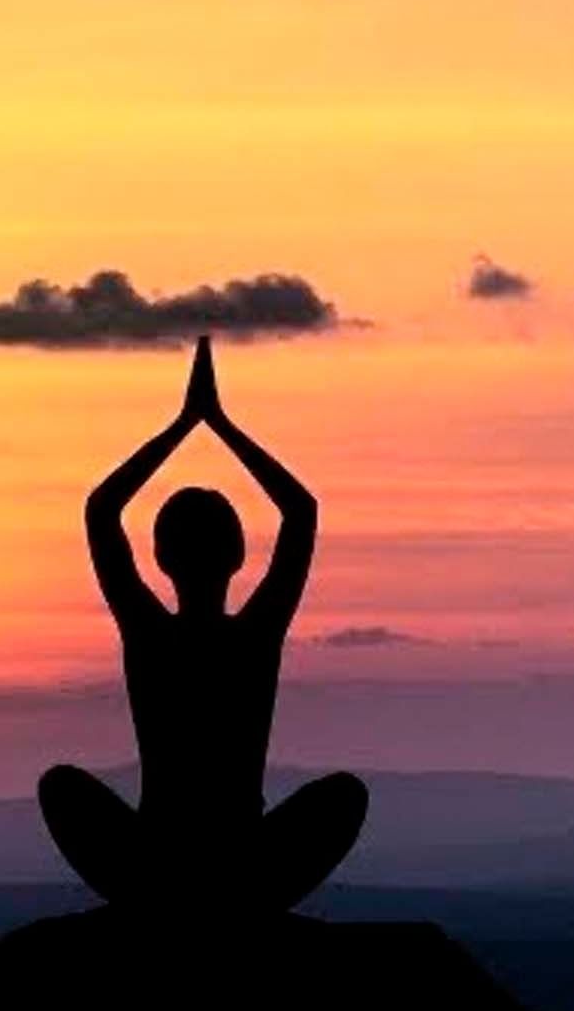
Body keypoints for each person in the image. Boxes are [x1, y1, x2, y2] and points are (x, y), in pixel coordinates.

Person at [38, 336, 367, 916]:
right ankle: (228, 903)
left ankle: (168, 902)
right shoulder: (254, 634)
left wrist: (187, 424)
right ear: (240, 554)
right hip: (241, 863)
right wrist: (216, 424)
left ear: (160, 557)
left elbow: (101, 510)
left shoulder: (150, 632)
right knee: (344, 796)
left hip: (159, 862)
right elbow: (300, 512)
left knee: (60, 786)